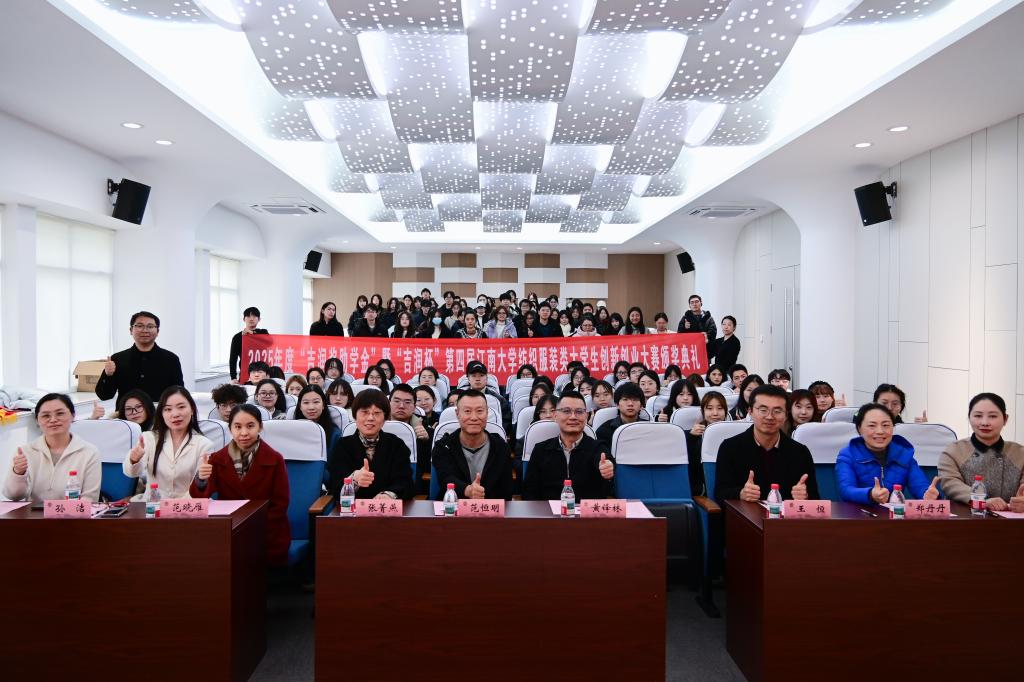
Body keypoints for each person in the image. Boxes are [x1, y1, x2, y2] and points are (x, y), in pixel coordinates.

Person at [192, 405, 290, 565]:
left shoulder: (275, 459)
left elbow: (281, 504)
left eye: (250, 426)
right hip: (228, 531)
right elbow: (200, 497)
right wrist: (201, 479)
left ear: (260, 427)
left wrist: (252, 528)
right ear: (230, 429)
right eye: (237, 427)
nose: (244, 433)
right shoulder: (217, 459)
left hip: (267, 533)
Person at [714, 385, 819, 502]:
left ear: (786, 415)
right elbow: (720, 494)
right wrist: (740, 493)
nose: (769, 417)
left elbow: (815, 498)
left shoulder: (800, 452)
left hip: (785, 514)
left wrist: (805, 497)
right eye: (763, 410)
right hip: (745, 513)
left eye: (777, 411)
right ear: (750, 412)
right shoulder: (730, 448)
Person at [3, 394, 101, 503]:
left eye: (60, 413)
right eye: (46, 416)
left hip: (73, 513)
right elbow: (12, 496)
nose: (53, 420)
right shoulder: (25, 452)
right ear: (37, 420)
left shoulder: (89, 452)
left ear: (73, 415)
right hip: (34, 513)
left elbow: (90, 499)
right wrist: (18, 473)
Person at [836, 403, 940, 503]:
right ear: (859, 429)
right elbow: (846, 490)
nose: (880, 431)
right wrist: (870, 494)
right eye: (872, 425)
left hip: (894, 513)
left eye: (885, 425)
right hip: (859, 513)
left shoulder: (904, 454)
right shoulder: (847, 455)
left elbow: (919, 485)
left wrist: (926, 494)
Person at [938, 393, 1024, 512]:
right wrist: (980, 500)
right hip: (965, 517)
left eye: (993, 416)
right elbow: (950, 483)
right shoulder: (953, 451)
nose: (985, 422)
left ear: (1005, 419)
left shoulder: (1020, 453)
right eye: (978, 416)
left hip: (1010, 519)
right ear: (969, 417)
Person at [522, 392, 615, 501]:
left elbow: (606, 461)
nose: (573, 417)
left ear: (586, 416)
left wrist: (608, 468)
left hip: (585, 510)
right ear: (555, 416)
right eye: (566, 411)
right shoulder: (540, 450)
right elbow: (529, 492)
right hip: (548, 510)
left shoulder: (598, 447)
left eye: (579, 412)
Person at [123, 387, 211, 499]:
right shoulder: (148, 438)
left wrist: (173, 507)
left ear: (192, 409)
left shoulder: (204, 445)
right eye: (168, 409)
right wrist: (134, 460)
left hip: (186, 506)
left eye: (181, 407)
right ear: (162, 414)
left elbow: (200, 488)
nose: (175, 414)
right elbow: (131, 473)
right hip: (151, 506)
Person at [325, 389, 413, 501]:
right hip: (353, 510)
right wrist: (354, 480)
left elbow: (406, 482)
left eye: (377, 413)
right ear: (355, 416)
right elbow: (334, 487)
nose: (370, 418)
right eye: (365, 412)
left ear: (385, 418)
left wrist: (389, 494)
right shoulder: (342, 446)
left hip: (387, 509)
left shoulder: (397, 445)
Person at [432, 390, 514, 501]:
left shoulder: (501, 447)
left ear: (487, 413)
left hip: (490, 508)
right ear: (457, 414)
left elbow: (506, 491)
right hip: (453, 507)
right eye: (467, 411)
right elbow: (445, 478)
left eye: (479, 411)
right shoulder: (443, 447)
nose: (474, 417)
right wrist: (467, 490)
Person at [95, 311, 184, 403]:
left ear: (157, 331)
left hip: (158, 411)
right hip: (127, 412)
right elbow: (104, 395)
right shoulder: (118, 359)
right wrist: (108, 375)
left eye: (150, 326)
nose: (145, 330)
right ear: (131, 330)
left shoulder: (171, 359)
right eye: (140, 326)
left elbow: (178, 393)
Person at [596, 382, 647, 453]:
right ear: (617, 405)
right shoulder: (604, 431)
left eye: (635, 399)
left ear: (641, 406)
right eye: (625, 399)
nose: (630, 404)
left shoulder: (649, 427)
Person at [294, 385, 342, 450]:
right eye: (306, 402)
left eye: (316, 402)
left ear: (323, 405)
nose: (311, 407)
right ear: (300, 406)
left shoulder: (335, 434)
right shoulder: (292, 430)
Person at [228, 307, 269, 383]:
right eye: (248, 316)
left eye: (254, 316)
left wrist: (252, 334)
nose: (251, 319)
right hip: (245, 374)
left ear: (259, 319)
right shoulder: (237, 337)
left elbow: (270, 342)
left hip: (263, 374)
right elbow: (233, 359)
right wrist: (233, 377)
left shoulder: (263, 332)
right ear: (244, 319)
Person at [677, 295, 717, 362]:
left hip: (705, 351)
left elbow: (713, 332)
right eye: (692, 302)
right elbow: (679, 334)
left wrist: (706, 335)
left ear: (701, 303)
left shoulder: (708, 318)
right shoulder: (685, 318)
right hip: (689, 352)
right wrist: (685, 327)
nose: (694, 304)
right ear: (689, 305)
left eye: (696, 302)